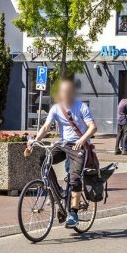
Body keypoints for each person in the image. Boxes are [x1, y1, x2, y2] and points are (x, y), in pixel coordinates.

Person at [28, 78, 97, 228]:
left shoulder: (81, 107)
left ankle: (73, 213)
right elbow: (46, 127)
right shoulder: (56, 108)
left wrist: (83, 140)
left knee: (74, 179)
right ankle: (58, 191)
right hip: (63, 145)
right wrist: (35, 140)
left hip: (79, 146)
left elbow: (93, 127)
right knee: (44, 160)